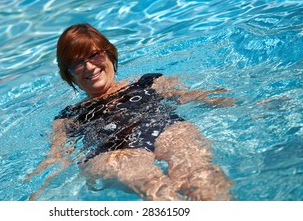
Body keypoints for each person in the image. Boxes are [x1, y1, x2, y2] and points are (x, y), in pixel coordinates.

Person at [27, 23, 234, 201]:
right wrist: (39, 192)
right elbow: (56, 158)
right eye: (77, 63)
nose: (89, 67)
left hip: (165, 130)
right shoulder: (68, 117)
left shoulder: (148, 82)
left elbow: (199, 96)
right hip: (112, 154)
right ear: (69, 74)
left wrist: (251, 103)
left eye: (94, 55)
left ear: (108, 53)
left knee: (198, 175)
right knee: (153, 187)